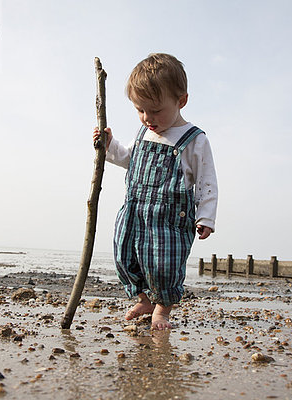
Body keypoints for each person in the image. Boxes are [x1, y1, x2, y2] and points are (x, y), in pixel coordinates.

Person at [93, 53, 218, 330]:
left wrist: (206, 216)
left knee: (165, 265)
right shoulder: (145, 132)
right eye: (140, 110)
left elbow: (207, 180)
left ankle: (162, 309)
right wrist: (108, 144)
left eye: (155, 110)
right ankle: (143, 299)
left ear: (181, 101)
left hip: (169, 220)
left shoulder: (194, 139)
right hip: (135, 211)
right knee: (124, 255)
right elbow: (129, 159)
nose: (147, 118)